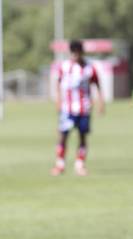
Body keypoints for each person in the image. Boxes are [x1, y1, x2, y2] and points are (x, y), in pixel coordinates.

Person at [51, 39, 105, 177]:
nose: (75, 55)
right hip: (67, 109)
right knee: (63, 136)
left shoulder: (89, 68)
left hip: (84, 109)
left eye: (78, 53)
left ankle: (80, 165)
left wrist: (100, 103)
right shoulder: (64, 67)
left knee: (82, 137)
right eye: (73, 53)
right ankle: (60, 164)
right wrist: (58, 100)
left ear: (82, 52)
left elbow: (97, 85)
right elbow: (57, 83)